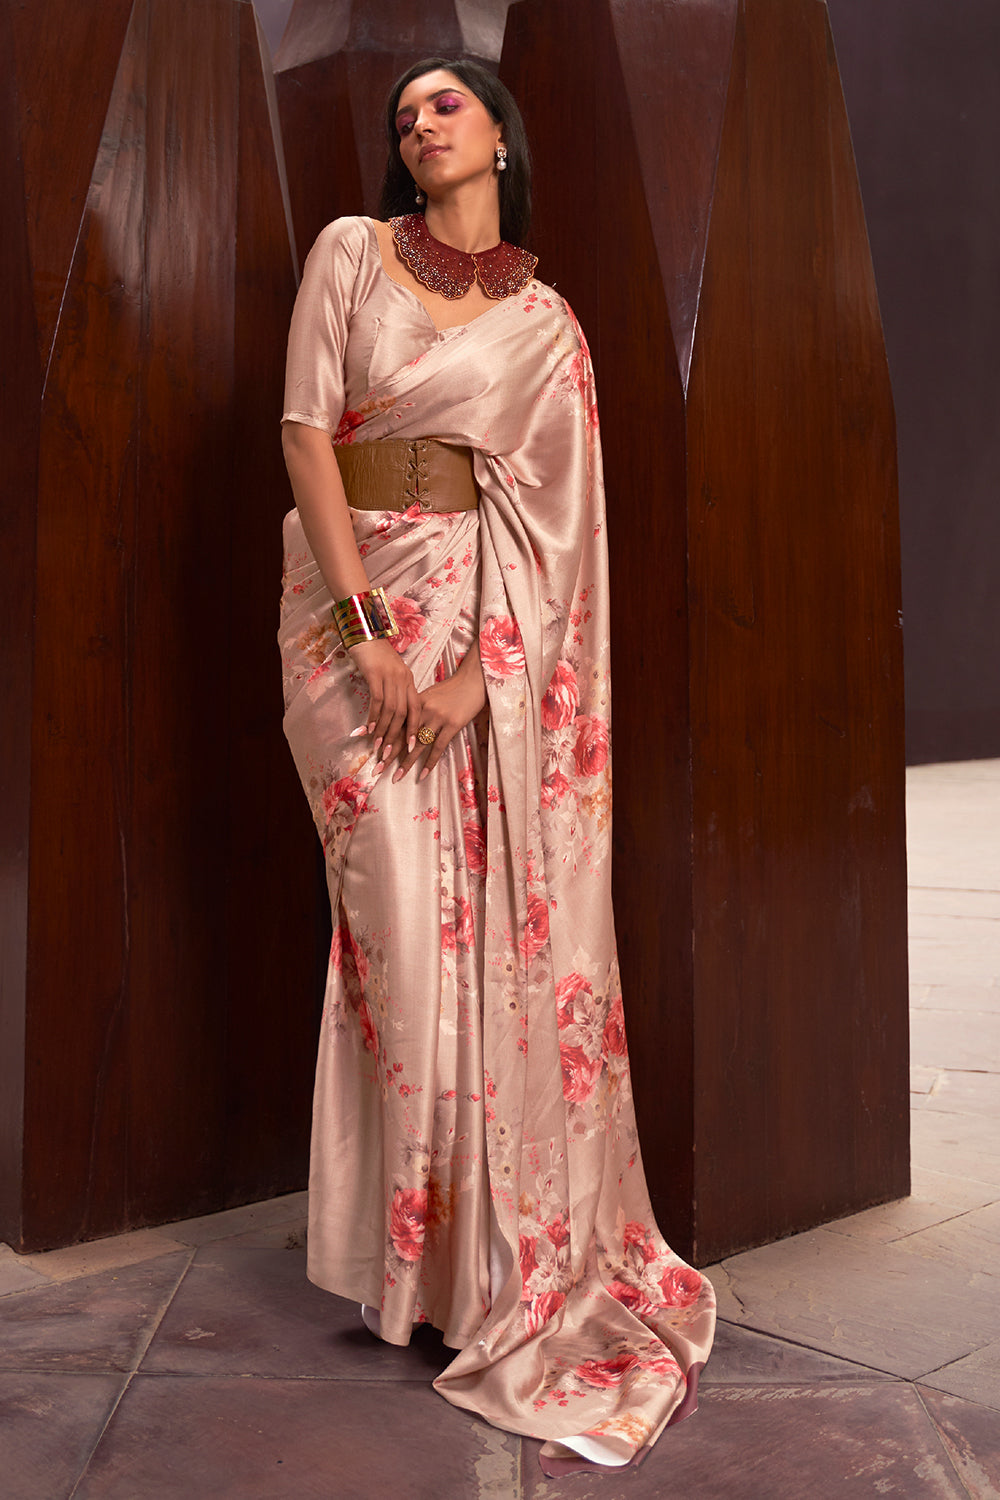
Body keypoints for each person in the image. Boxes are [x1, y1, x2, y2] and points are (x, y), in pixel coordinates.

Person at [278, 56, 716, 1473]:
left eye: (445, 103)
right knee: (404, 954)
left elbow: (566, 532)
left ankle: (475, 1283)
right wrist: (371, 639)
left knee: (488, 957)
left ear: (500, 137)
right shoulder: (351, 257)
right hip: (351, 625)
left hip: (483, 644)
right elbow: (306, 436)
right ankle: (421, 1266)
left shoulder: (547, 324)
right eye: (403, 113)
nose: (419, 121)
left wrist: (480, 678)